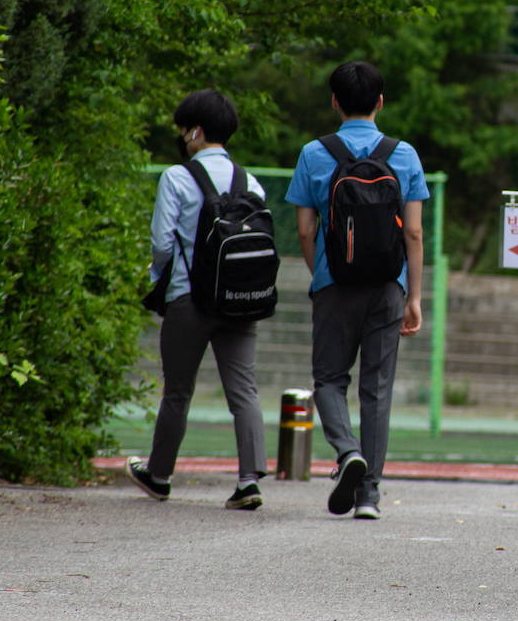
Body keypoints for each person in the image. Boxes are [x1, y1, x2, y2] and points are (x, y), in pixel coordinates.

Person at [285, 61, 427, 520]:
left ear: (334, 102)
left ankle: (347, 452)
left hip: (335, 284)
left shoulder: (313, 153)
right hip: (388, 285)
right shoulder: (403, 154)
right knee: (377, 388)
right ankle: (369, 495)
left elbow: (305, 230)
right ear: (381, 102)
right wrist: (414, 296)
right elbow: (415, 234)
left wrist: (321, 273)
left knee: (329, 379)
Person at [125, 90, 269, 510]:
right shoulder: (251, 181)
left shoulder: (177, 177)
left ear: (196, 131)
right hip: (242, 299)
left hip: (189, 299)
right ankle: (248, 482)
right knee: (244, 390)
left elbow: (161, 244)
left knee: (178, 391)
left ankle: (160, 475)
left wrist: (159, 280)